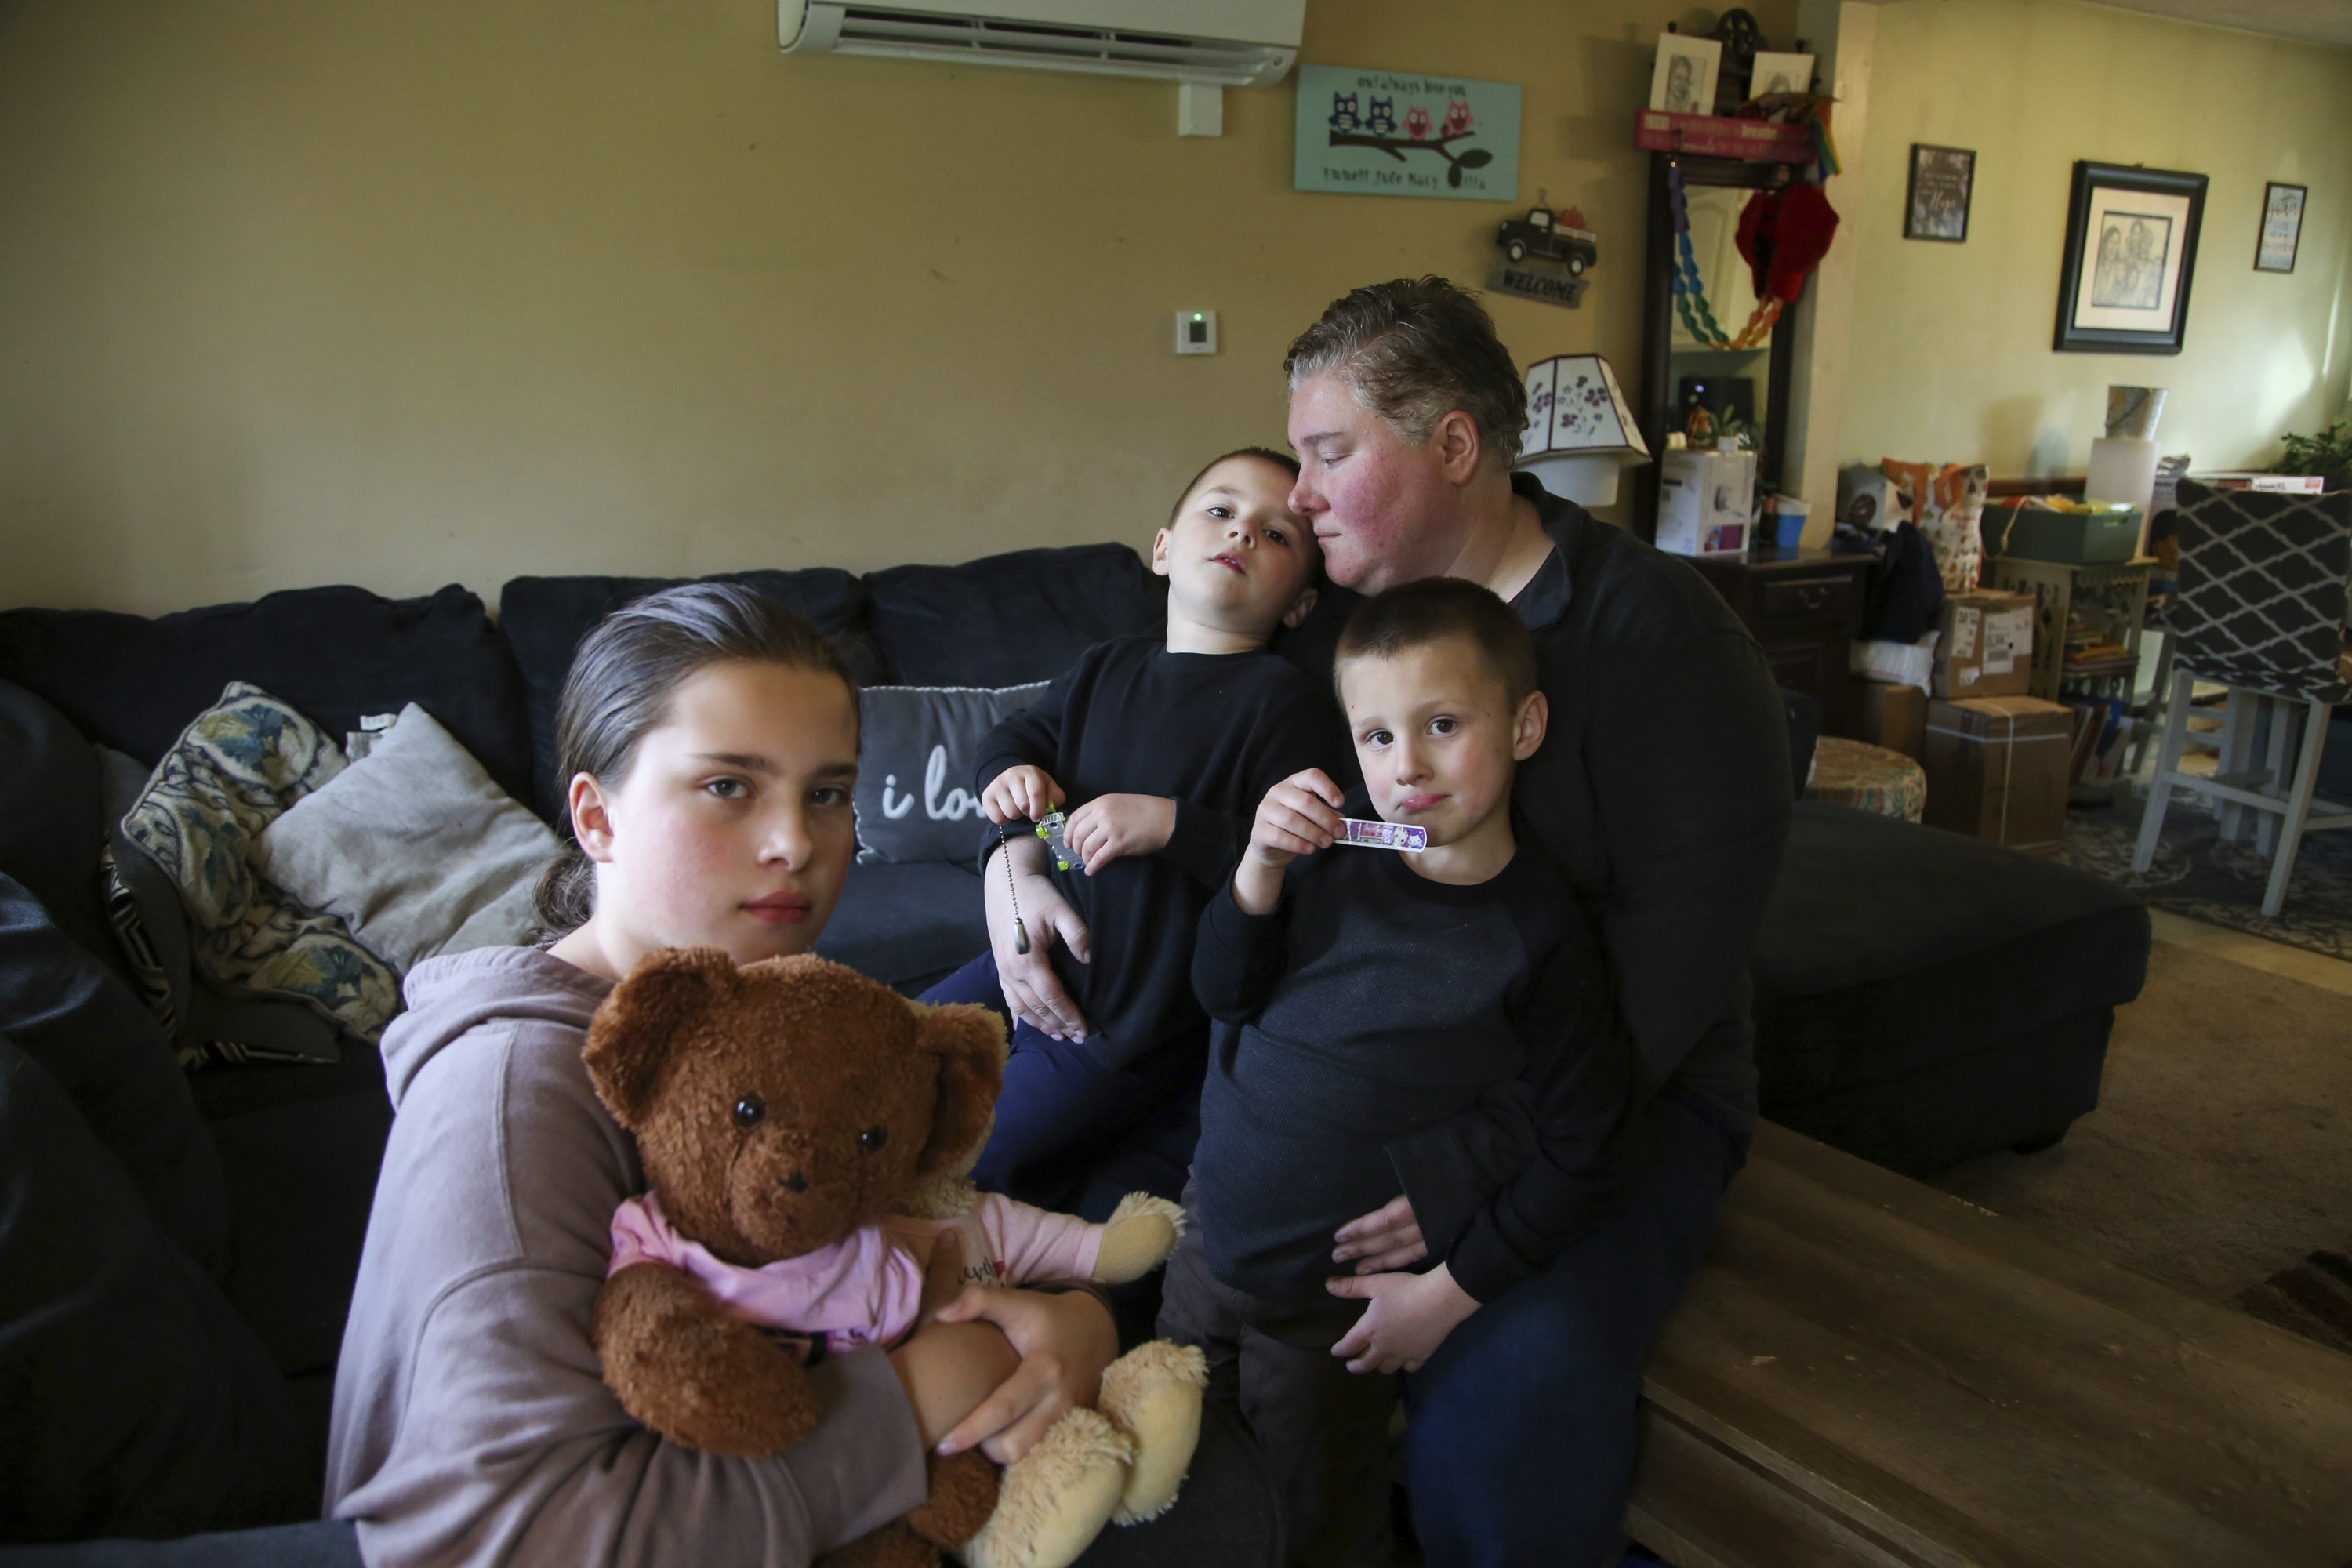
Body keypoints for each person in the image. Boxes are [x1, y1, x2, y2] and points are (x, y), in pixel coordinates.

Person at [992, 278, 1791, 1566]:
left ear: (1456, 449)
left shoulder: (1664, 649)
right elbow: (1142, 779)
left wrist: (1483, 1160)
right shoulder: (1342, 635)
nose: (1297, 500)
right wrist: (1010, 857)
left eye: (1326, 456)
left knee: (1499, 1405)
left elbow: (1673, 977)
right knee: (1107, 1223)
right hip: (1350, 1040)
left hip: (1602, 1090)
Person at [323, 583, 1272, 1566]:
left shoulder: (777, 1022)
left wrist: (1070, 1319)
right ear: (596, 819)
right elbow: (495, 1538)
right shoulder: (512, 1090)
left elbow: (895, 1235)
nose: (797, 845)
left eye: (826, 792)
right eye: (729, 785)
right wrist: (928, 1388)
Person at [1160, 579, 1636, 1567]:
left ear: (1526, 723)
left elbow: (1587, 1143)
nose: (1406, 766)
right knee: (1169, 1466)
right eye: (1375, 737)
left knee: (1310, 1523)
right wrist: (1256, 868)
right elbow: (1221, 991)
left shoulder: (1541, 932)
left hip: (1332, 1310)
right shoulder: (1327, 860)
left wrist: (1452, 1292)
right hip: (1207, 1241)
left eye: (1443, 724)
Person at [927, 449, 1342, 1210]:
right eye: (1220, 511)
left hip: (1119, 1029)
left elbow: (1302, 864)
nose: (1242, 533)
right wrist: (1009, 782)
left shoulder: (1284, 702)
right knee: (880, 1053)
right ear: (1162, 548)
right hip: (1023, 957)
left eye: (1277, 534)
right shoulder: (1103, 668)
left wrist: (1172, 825)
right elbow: (1014, 741)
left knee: (964, 1156)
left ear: (1300, 606)